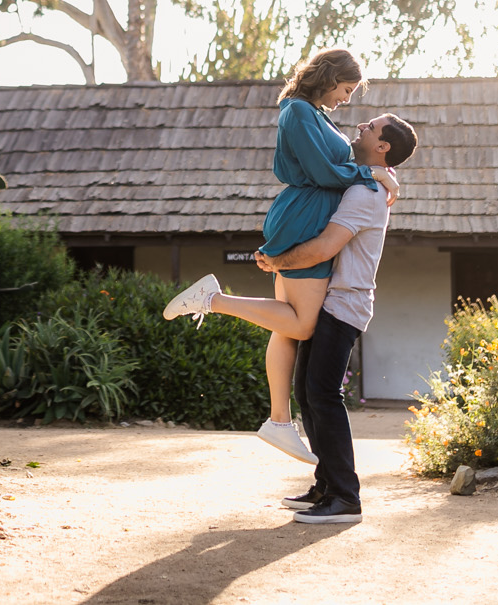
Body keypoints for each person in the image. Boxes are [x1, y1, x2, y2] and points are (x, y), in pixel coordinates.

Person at [162, 111, 417, 524]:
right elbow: (341, 173)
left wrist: (277, 261)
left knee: (323, 395)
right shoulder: (366, 181)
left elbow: (323, 248)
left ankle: (345, 497)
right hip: (330, 300)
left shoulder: (366, 194)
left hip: (344, 304)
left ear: (383, 146)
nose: (361, 127)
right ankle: (326, 486)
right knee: (308, 392)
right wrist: (384, 175)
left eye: (370, 128)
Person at [161, 47, 396, 463]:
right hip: (304, 216)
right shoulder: (298, 112)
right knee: (303, 325)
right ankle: (212, 300)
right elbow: (324, 173)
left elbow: (331, 167)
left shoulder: (316, 112)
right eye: (345, 88)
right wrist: (371, 172)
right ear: (327, 76)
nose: (347, 98)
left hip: (305, 213)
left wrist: (379, 171)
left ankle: (279, 422)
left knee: (285, 326)